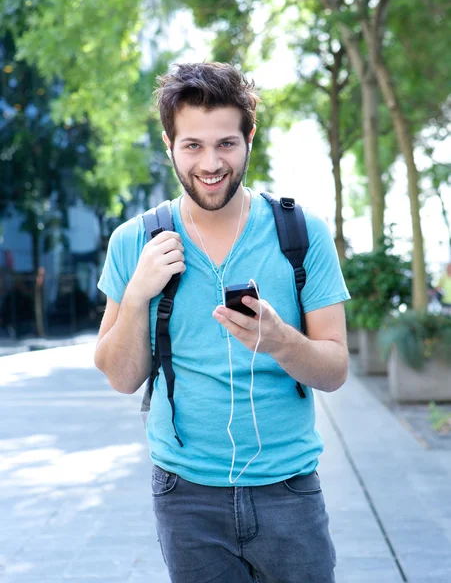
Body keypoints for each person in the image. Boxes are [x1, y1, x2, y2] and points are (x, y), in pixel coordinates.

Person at [94, 62, 350, 583]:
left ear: (249, 137)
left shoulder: (301, 233)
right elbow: (121, 378)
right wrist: (139, 293)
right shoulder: (133, 242)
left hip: (289, 490)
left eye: (226, 144)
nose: (210, 163)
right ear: (169, 144)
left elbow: (335, 369)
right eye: (192, 146)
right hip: (185, 495)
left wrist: (280, 341)